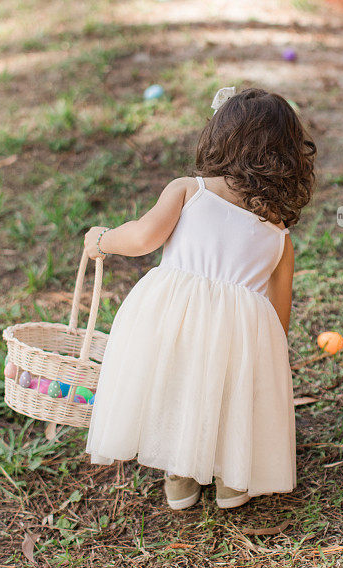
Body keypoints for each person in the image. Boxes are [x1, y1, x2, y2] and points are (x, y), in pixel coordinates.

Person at [83, 87, 317, 509]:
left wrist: (101, 238)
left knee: (179, 385)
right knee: (227, 392)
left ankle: (181, 472)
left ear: (219, 137)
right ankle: (232, 475)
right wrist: (265, 355)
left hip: (178, 318)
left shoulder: (189, 190)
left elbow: (142, 237)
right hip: (241, 331)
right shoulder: (279, 232)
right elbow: (278, 313)